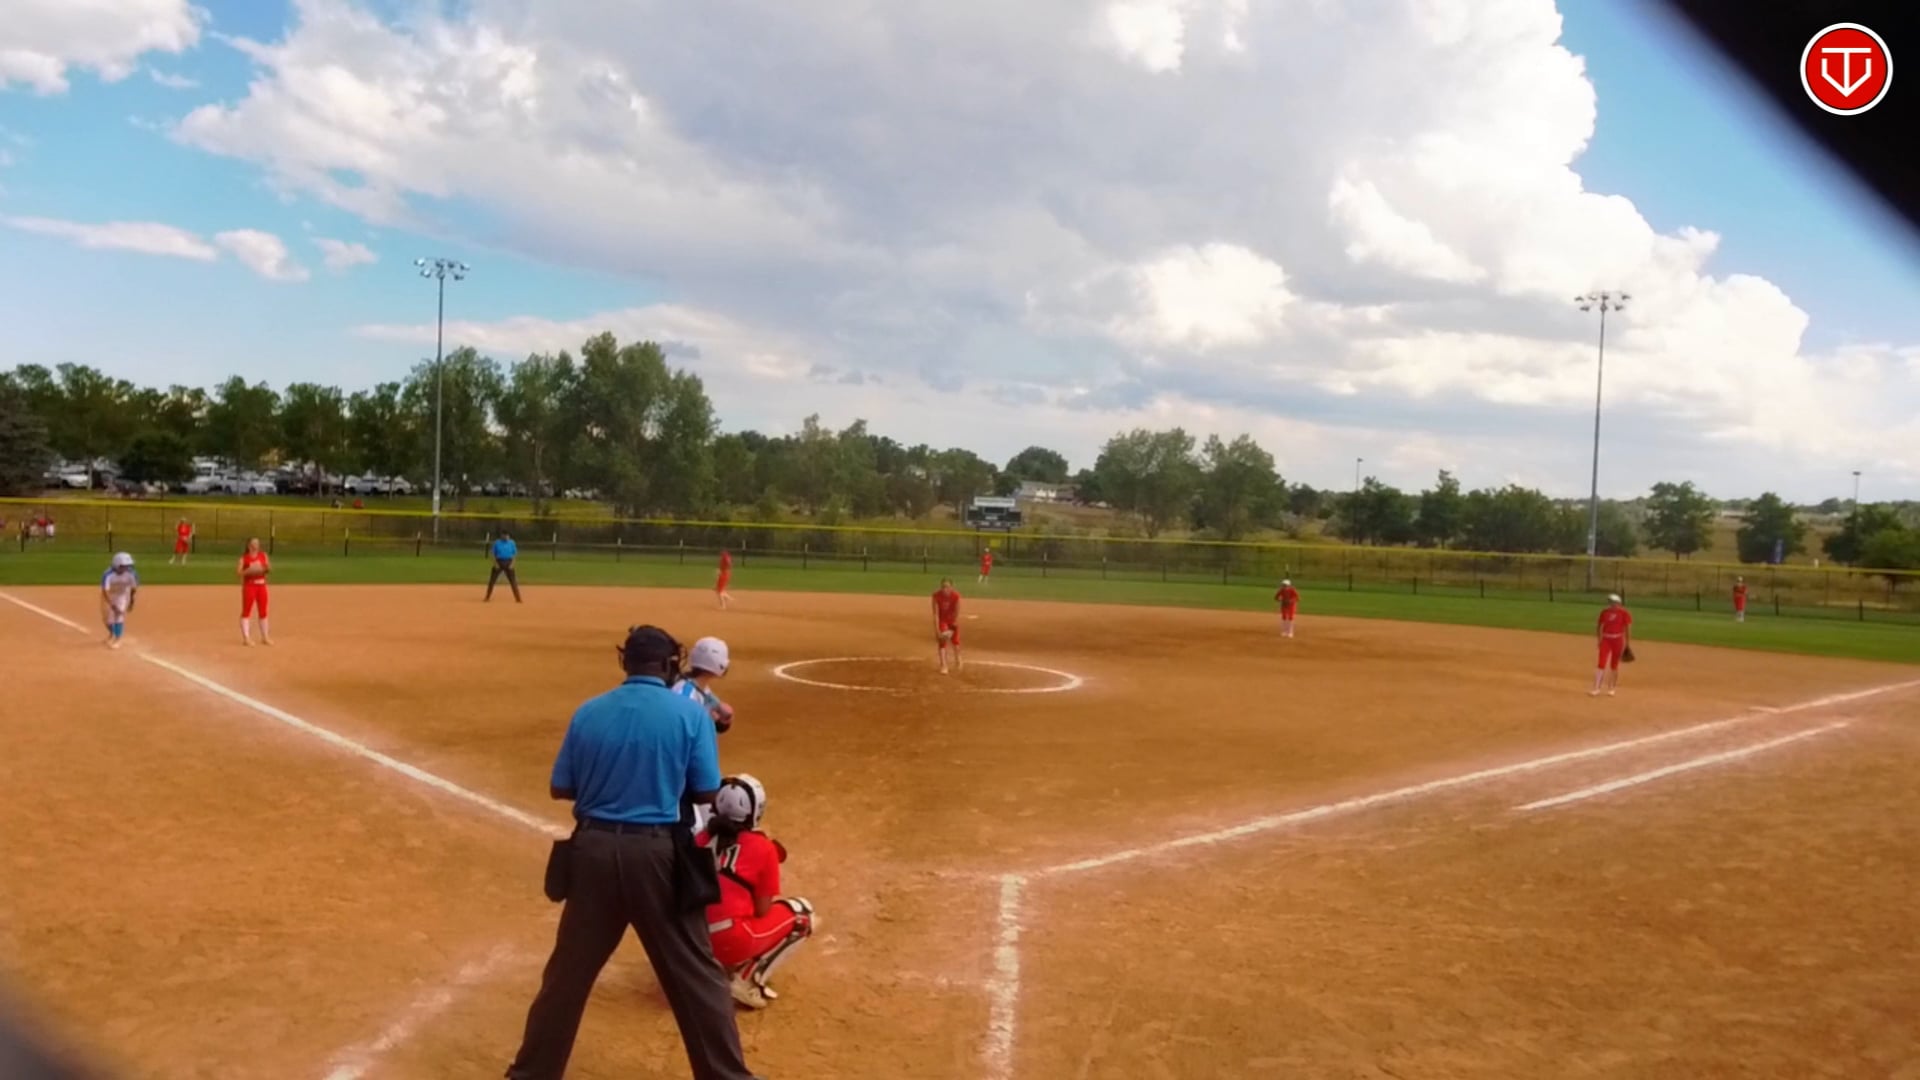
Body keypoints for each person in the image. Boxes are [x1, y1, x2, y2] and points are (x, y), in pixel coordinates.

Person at [505, 626, 759, 1080]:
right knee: (697, 975)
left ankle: (532, 1073)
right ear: (668, 665)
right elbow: (706, 791)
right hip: (658, 854)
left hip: (592, 851)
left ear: (625, 662)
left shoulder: (589, 711)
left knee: (566, 976)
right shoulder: (690, 714)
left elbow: (560, 786)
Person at [698, 774, 814, 1010]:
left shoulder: (700, 838)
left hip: (692, 938)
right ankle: (747, 980)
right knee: (803, 916)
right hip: (728, 939)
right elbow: (762, 910)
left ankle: (708, 969)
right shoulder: (763, 847)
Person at [675, 636, 737, 835]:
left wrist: (720, 713)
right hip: (684, 778)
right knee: (697, 829)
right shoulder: (685, 694)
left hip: (693, 773)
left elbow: (713, 705)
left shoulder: (695, 687)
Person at [1592, 593, 1632, 697]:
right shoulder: (1604, 612)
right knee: (1601, 663)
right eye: (1610, 602)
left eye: (1614, 602)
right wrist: (1599, 640)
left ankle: (1611, 688)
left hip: (1618, 640)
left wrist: (1627, 644)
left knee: (1614, 665)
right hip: (1606, 639)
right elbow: (1599, 626)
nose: (1612, 604)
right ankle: (1596, 688)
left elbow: (1627, 629)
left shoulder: (1624, 613)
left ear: (1619, 603)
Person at [99, 553, 138, 649]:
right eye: (124, 566)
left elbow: (133, 589)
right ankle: (112, 633)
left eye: (128, 566)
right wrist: (112, 604)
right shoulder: (108, 575)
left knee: (118, 615)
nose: (126, 568)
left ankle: (118, 639)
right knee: (106, 619)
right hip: (109, 595)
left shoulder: (131, 574)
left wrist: (131, 602)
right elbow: (105, 591)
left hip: (122, 595)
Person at [238, 537, 272, 646]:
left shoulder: (263, 555)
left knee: (263, 611)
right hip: (250, 586)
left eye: (257, 543)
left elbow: (269, 568)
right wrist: (249, 570)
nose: (256, 545)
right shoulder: (244, 558)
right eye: (254, 543)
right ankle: (246, 638)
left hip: (261, 585)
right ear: (249, 545)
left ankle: (265, 637)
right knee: (246, 611)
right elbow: (239, 572)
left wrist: (263, 568)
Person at [932, 577, 963, 674]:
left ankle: (958, 658)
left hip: (952, 620)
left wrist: (952, 628)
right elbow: (936, 614)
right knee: (942, 642)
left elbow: (956, 613)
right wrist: (937, 630)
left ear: (952, 587)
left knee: (955, 642)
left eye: (947, 587)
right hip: (942, 620)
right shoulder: (936, 596)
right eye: (943, 587)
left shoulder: (956, 596)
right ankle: (943, 665)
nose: (945, 589)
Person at [488, 532, 523, 603]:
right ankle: (487, 596)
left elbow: (514, 554)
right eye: (505, 536)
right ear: (502, 536)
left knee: (513, 581)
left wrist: (512, 564)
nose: (506, 537)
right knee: (492, 580)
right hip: (499, 561)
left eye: (507, 536)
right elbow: (493, 553)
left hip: (508, 561)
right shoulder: (497, 543)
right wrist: (495, 563)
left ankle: (518, 598)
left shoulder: (512, 543)